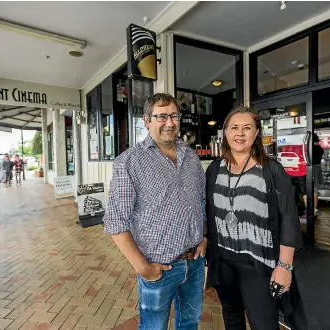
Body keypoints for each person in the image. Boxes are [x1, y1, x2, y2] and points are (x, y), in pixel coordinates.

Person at [103, 93, 207, 330]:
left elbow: (200, 202)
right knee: (153, 327)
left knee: (190, 323)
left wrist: (204, 237)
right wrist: (143, 268)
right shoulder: (129, 162)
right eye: (161, 116)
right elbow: (116, 221)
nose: (169, 123)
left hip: (195, 263)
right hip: (159, 268)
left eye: (174, 116)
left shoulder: (190, 157)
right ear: (147, 121)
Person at [205, 105, 307, 330]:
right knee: (231, 317)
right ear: (225, 133)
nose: (239, 133)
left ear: (257, 133)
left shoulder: (271, 170)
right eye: (234, 127)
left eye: (247, 128)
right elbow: (208, 213)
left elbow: (289, 219)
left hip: (259, 263)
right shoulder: (214, 169)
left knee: (263, 323)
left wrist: (284, 267)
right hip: (223, 261)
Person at [300, 133, 324, 219]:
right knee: (315, 190)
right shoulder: (320, 148)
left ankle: (311, 210)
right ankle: (314, 210)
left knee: (311, 190)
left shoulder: (311, 148)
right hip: (317, 169)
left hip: (311, 169)